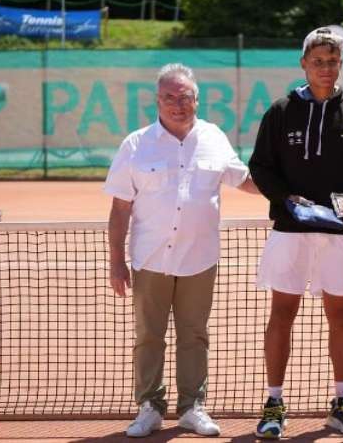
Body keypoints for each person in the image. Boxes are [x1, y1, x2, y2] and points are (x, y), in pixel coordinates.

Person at [105, 63, 259, 438]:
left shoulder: (214, 137)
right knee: (148, 336)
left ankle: (192, 407)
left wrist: (289, 187)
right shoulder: (135, 144)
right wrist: (116, 262)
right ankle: (149, 407)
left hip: (199, 259)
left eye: (185, 96)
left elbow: (244, 179)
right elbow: (119, 208)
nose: (178, 103)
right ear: (157, 101)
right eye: (170, 97)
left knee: (194, 335)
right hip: (149, 259)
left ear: (197, 100)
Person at [248, 27, 343, 439]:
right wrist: (288, 201)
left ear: (340, 65)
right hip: (290, 231)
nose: (325, 68)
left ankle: (342, 401)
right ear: (304, 64)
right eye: (317, 61)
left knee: (341, 317)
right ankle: (274, 403)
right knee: (282, 314)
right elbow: (261, 167)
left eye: (332, 61)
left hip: (339, 234)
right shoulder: (281, 111)